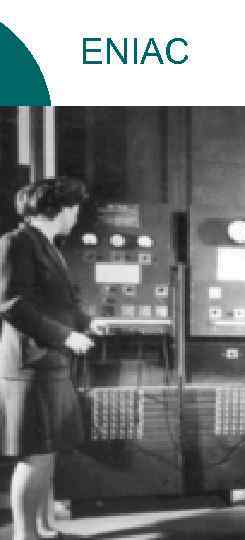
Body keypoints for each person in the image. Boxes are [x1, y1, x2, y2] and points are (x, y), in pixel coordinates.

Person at [0, 178, 94, 540]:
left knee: (47, 452)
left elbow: (60, 302)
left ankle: (42, 527)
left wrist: (86, 323)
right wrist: (66, 336)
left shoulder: (48, 246)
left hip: (50, 363)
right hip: (31, 366)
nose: (77, 216)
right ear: (61, 209)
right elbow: (12, 304)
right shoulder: (17, 243)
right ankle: (25, 536)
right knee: (35, 455)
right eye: (75, 208)